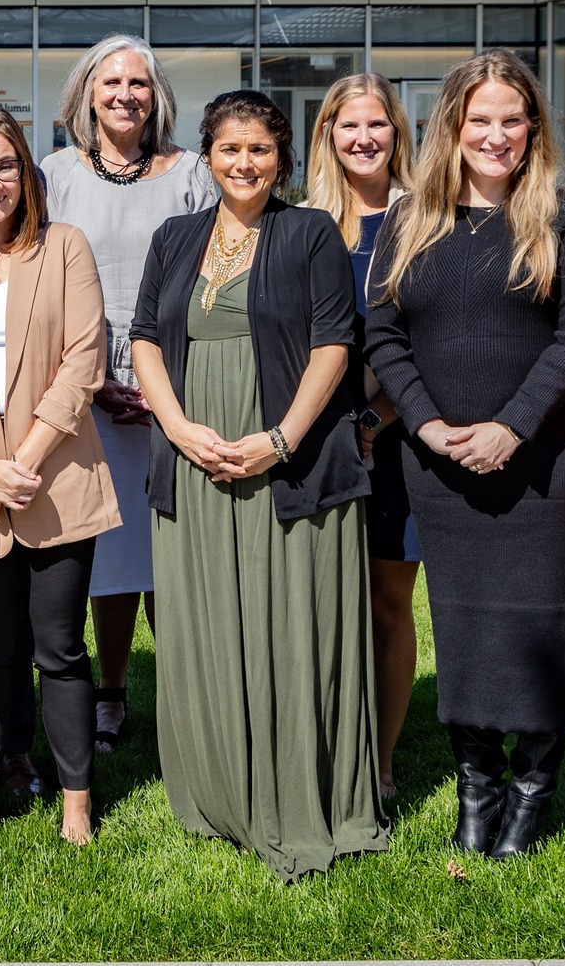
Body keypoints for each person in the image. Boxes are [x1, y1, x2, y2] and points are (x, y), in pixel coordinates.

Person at [364, 50, 565, 861]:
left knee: (540, 620)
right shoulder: (412, 220)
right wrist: (429, 425)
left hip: (545, 458)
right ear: (453, 127)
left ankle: (534, 786)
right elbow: (384, 332)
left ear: (532, 124)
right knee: (463, 624)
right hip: (437, 462)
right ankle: (479, 785)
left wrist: (512, 424)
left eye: (512, 118)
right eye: (480, 120)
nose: (496, 135)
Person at [129, 91, 383, 878]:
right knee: (205, 621)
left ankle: (300, 789)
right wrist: (176, 427)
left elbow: (335, 344)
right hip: (196, 456)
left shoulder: (308, 232)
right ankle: (216, 787)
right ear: (208, 154)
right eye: (230, 148)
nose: (244, 163)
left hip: (289, 463)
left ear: (284, 160)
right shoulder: (174, 237)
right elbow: (142, 339)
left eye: (261, 150)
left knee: (289, 623)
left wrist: (281, 439)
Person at [0, 108, 117, 845]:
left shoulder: (64, 246)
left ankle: (76, 798)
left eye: (5, 165)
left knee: (60, 648)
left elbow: (83, 361)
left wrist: (22, 462)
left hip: (56, 483)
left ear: (25, 172)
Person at [39, 34, 215, 752]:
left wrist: (165, 377)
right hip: (85, 383)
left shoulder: (192, 174)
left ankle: (189, 697)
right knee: (110, 554)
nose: (125, 93)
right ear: (86, 93)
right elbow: (40, 280)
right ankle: (110, 694)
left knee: (179, 554)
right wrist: (94, 378)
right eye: (110, 81)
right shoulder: (54, 174)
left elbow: (219, 273)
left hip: (180, 380)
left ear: (157, 95)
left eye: (138, 82)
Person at [304, 73, 420, 801]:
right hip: (318, 437)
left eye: (377, 124)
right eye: (349, 126)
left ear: (397, 133)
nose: (364, 138)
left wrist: (376, 419)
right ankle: (323, 744)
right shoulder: (306, 222)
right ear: (328, 135)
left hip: (397, 436)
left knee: (385, 601)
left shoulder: (427, 219)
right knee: (319, 598)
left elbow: (433, 340)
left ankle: (379, 759)